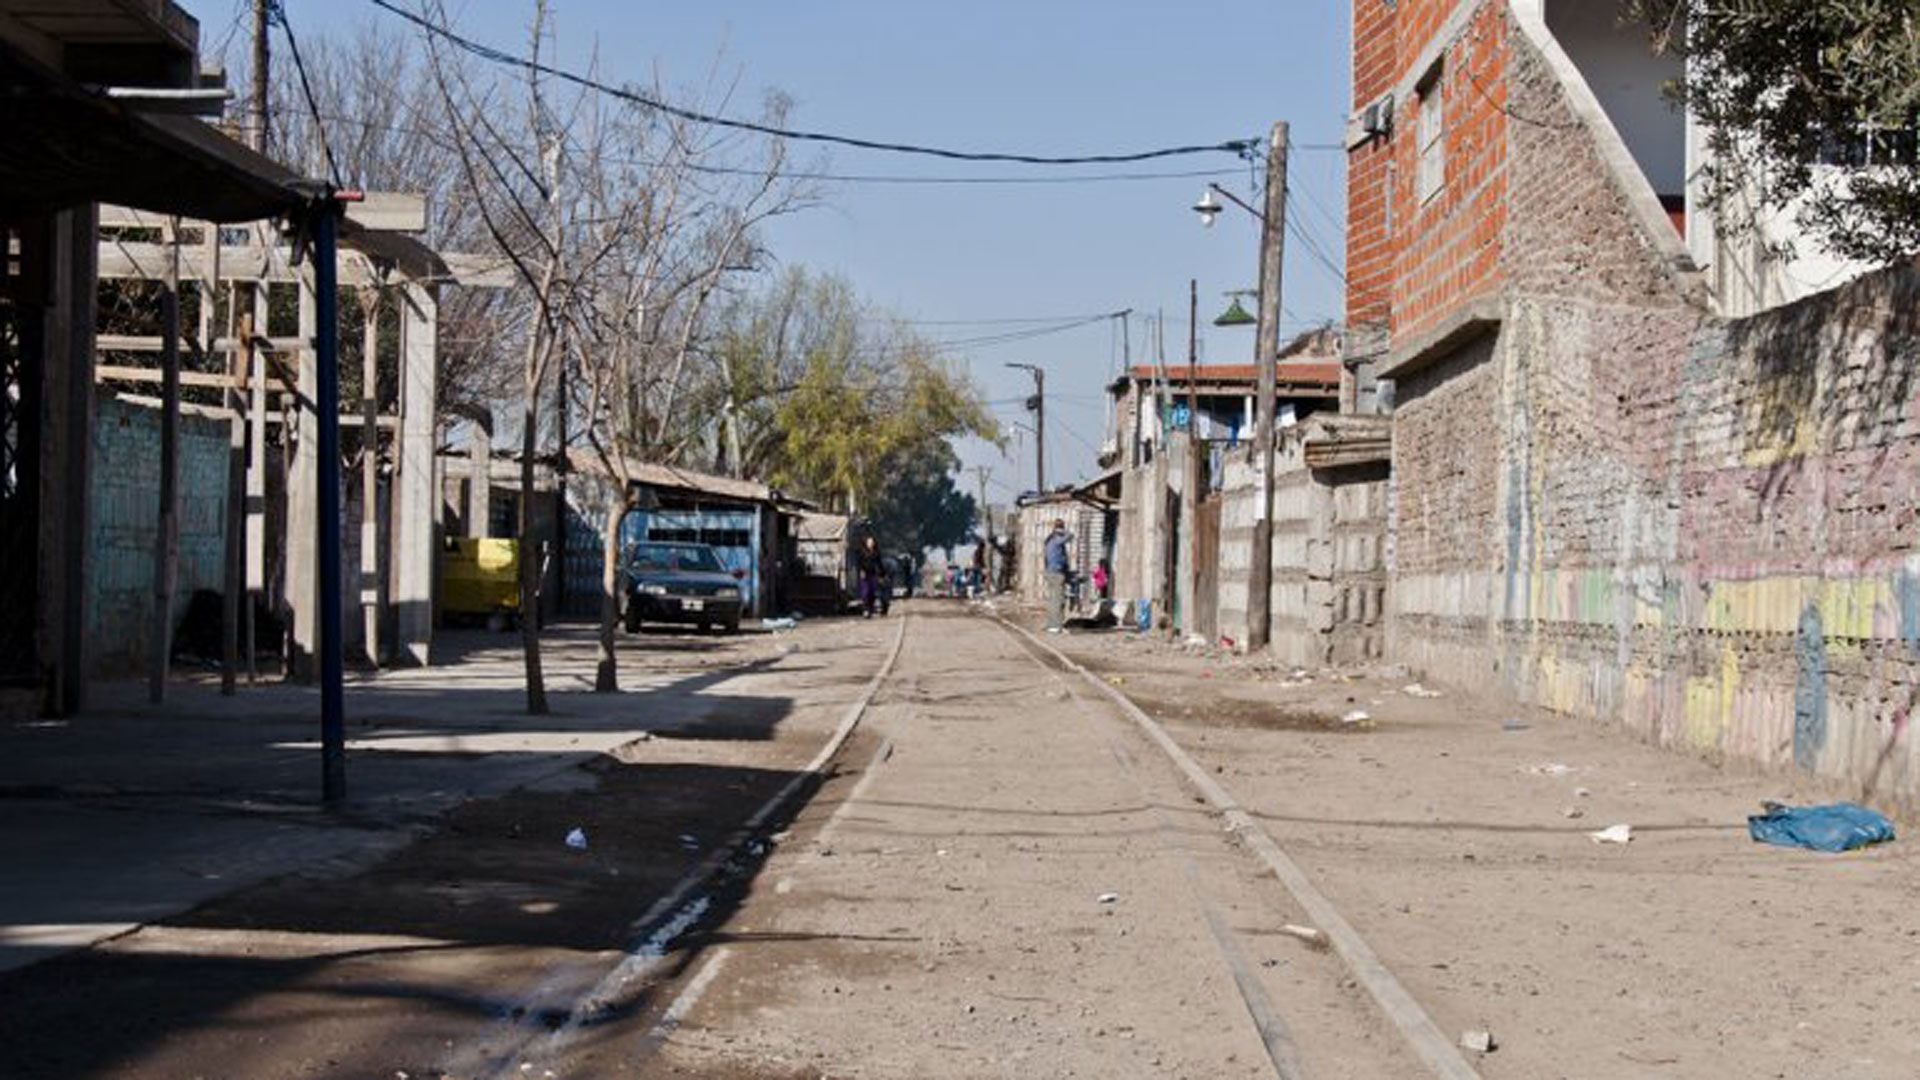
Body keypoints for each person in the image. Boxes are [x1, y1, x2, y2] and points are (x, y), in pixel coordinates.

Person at [1043, 518, 1071, 633]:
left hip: (1050, 572)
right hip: (1057, 573)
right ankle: (1056, 625)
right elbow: (1070, 536)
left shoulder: (1049, 540)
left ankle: (1051, 624)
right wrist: (1062, 531)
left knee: (1052, 599)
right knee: (1058, 599)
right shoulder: (1057, 540)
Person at [856, 536, 884, 618]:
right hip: (864, 574)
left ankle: (870, 610)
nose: (871, 544)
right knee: (865, 592)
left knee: (873, 593)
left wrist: (882, 575)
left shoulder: (876, 553)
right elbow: (858, 563)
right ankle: (865, 610)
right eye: (869, 542)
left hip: (873, 574)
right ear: (866, 543)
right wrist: (861, 571)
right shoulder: (862, 552)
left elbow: (879, 564)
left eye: (872, 542)